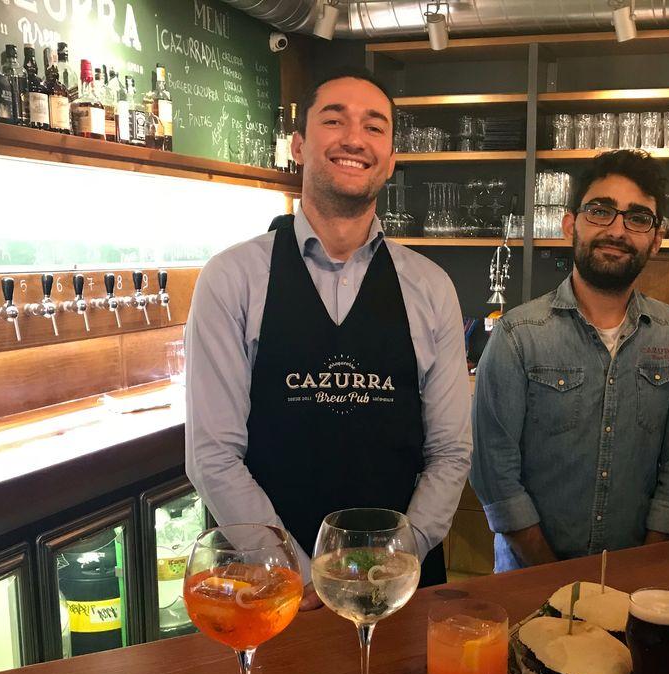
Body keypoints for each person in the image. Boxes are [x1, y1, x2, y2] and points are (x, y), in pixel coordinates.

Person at [185, 68, 471, 605]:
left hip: (400, 590)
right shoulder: (232, 278)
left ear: (390, 160)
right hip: (271, 589)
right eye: (333, 120)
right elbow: (212, 455)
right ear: (297, 145)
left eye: (374, 127)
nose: (354, 139)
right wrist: (299, 573)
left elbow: (451, 453)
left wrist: (395, 563)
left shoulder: (431, 287)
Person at [470, 150, 669, 572]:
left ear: (656, 241)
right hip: (529, 583)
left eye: (637, 218)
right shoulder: (517, 335)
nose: (617, 229)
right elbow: (495, 478)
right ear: (571, 224)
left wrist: (635, 574)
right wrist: (556, 578)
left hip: (635, 585)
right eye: (600, 211)